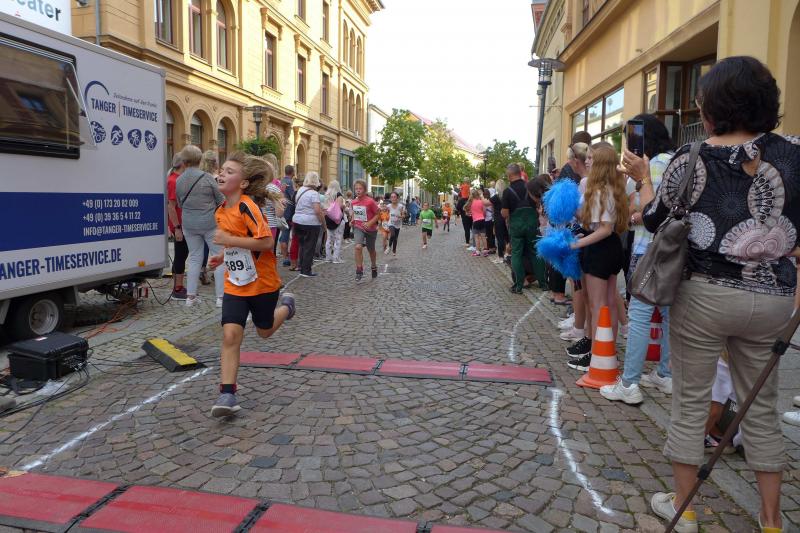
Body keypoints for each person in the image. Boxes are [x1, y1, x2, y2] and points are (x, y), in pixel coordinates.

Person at [625, 56, 799, 533]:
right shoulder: (794, 154)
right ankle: (771, 520)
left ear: (714, 106)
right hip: (773, 296)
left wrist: (644, 180)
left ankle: (684, 510)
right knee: (760, 408)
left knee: (691, 402)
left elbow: (656, 220)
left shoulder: (692, 156)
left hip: (704, 294)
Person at [208, 151, 295, 417]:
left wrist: (229, 241)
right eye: (222, 170)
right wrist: (222, 256)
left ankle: (287, 308)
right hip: (236, 283)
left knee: (264, 331)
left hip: (262, 283)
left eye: (229, 171)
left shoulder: (248, 206)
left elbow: (267, 242)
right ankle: (227, 393)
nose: (222, 174)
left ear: (244, 183)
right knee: (230, 335)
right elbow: (237, 245)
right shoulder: (221, 211)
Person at [601, 114, 675, 405]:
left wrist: (632, 216)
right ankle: (665, 373)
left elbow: (649, 211)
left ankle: (629, 383)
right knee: (668, 315)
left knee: (640, 315)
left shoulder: (653, 165)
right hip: (671, 250)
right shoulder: (675, 160)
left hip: (649, 248)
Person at [568, 142, 628, 373]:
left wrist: (577, 243)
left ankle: (597, 355)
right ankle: (606, 352)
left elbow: (604, 229)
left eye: (591, 157)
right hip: (611, 248)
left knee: (598, 305)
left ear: (601, 163)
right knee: (608, 304)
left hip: (600, 249)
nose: (587, 161)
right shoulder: (613, 188)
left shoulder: (601, 191)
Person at [175, 145, 225, 307]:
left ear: (184, 161)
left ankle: (190, 297)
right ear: (200, 160)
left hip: (189, 223)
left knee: (195, 258)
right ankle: (220, 298)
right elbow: (221, 200)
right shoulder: (207, 178)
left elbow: (179, 203)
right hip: (210, 223)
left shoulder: (179, 180)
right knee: (218, 257)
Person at [501, 164, 538, 294]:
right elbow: (537, 205)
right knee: (532, 252)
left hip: (516, 226)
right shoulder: (530, 187)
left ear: (509, 175)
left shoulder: (507, 191)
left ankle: (519, 283)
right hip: (532, 225)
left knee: (516, 254)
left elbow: (505, 213)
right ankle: (537, 277)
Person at [291, 172, 325, 278]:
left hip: (297, 221)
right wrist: (323, 223)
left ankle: (301, 267)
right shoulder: (314, 193)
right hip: (310, 223)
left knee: (302, 245)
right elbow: (317, 211)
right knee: (309, 247)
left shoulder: (300, 190)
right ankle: (306, 270)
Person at [166, 154, 188, 300]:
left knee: (183, 254)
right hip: (179, 224)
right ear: (184, 164)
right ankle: (177, 288)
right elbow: (171, 206)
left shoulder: (176, 179)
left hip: (181, 223)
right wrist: (177, 227)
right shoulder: (174, 181)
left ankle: (179, 286)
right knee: (181, 254)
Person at [351, 179, 380, 281]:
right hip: (359, 227)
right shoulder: (353, 202)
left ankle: (373, 265)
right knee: (358, 247)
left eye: (360, 188)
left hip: (371, 229)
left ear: (365, 190)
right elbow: (354, 213)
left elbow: (378, 214)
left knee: (371, 250)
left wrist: (369, 223)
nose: (358, 191)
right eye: (356, 189)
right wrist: (352, 219)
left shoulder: (370, 201)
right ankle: (359, 270)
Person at [260, 154, 285, 256]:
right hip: (270, 225)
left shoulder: (256, 186)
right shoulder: (274, 188)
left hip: (257, 224)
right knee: (268, 255)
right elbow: (279, 213)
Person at [323, 180, 346, 263]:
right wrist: (344, 206)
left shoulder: (326, 194)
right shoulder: (338, 195)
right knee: (338, 239)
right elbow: (339, 206)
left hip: (328, 218)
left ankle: (328, 257)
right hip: (337, 219)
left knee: (329, 239)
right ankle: (336, 258)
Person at [279, 165, 296, 267]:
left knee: (284, 234)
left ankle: (285, 257)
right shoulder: (289, 182)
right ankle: (286, 259)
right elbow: (293, 197)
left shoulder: (281, 181)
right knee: (285, 235)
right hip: (289, 212)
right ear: (292, 172)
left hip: (282, 210)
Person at [466, 189, 490, 257]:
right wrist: (482, 216)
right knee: (483, 237)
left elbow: (468, 212)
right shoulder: (481, 201)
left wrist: (470, 214)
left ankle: (477, 251)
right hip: (482, 220)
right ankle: (485, 251)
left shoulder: (471, 203)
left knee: (476, 237)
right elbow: (484, 211)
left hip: (475, 221)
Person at [491, 180, 508, 264]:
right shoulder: (507, 195)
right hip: (507, 218)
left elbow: (487, 203)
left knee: (500, 238)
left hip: (498, 218)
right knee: (507, 237)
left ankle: (500, 256)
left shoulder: (496, 197)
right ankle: (507, 254)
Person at [483, 188, 496, 253]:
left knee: (488, 235)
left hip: (487, 219)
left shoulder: (485, 201)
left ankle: (490, 248)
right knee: (492, 234)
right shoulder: (491, 200)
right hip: (492, 219)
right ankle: (493, 247)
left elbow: (484, 212)